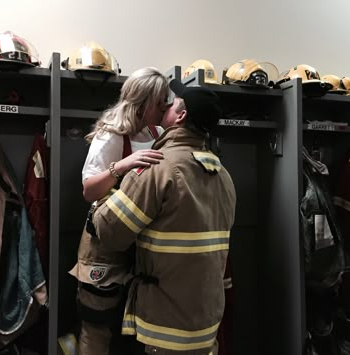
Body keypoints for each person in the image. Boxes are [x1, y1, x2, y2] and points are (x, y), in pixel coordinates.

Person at [91, 78, 237, 354]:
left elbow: (110, 232)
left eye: (172, 105)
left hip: (166, 327)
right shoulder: (223, 174)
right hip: (206, 323)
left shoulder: (157, 167)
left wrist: (106, 196)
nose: (165, 108)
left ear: (181, 116)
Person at [69, 67, 170, 355]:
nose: (164, 106)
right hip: (105, 247)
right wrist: (123, 165)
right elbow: (89, 190)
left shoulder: (159, 133)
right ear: (144, 101)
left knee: (137, 334)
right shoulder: (112, 135)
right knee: (97, 329)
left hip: (143, 246)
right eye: (160, 100)